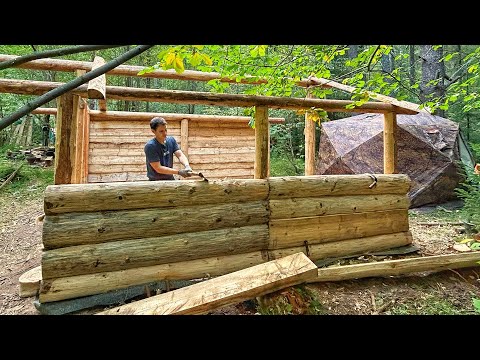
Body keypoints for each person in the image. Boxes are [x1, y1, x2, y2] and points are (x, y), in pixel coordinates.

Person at [144, 116, 193, 180]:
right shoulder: (150, 146)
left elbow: (180, 155)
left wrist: (187, 165)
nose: (165, 133)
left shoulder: (171, 140)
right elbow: (158, 168)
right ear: (153, 131)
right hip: (156, 182)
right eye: (161, 131)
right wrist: (179, 172)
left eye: (166, 130)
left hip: (170, 179)